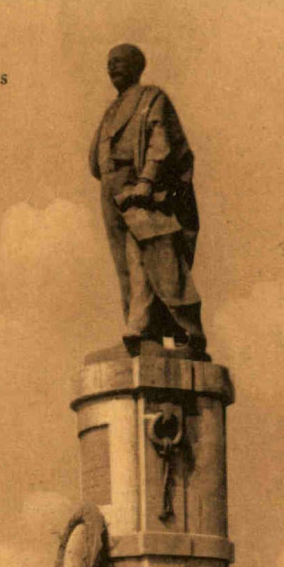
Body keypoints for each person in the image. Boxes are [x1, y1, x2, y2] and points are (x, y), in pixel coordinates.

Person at [89, 44, 206, 357]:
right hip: (112, 192)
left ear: (137, 66)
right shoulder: (111, 108)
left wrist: (146, 180)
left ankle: (181, 331)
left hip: (141, 190)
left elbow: (160, 141)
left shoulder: (151, 97)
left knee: (155, 258)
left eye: (119, 62)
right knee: (126, 266)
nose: (112, 67)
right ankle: (140, 332)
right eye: (109, 62)